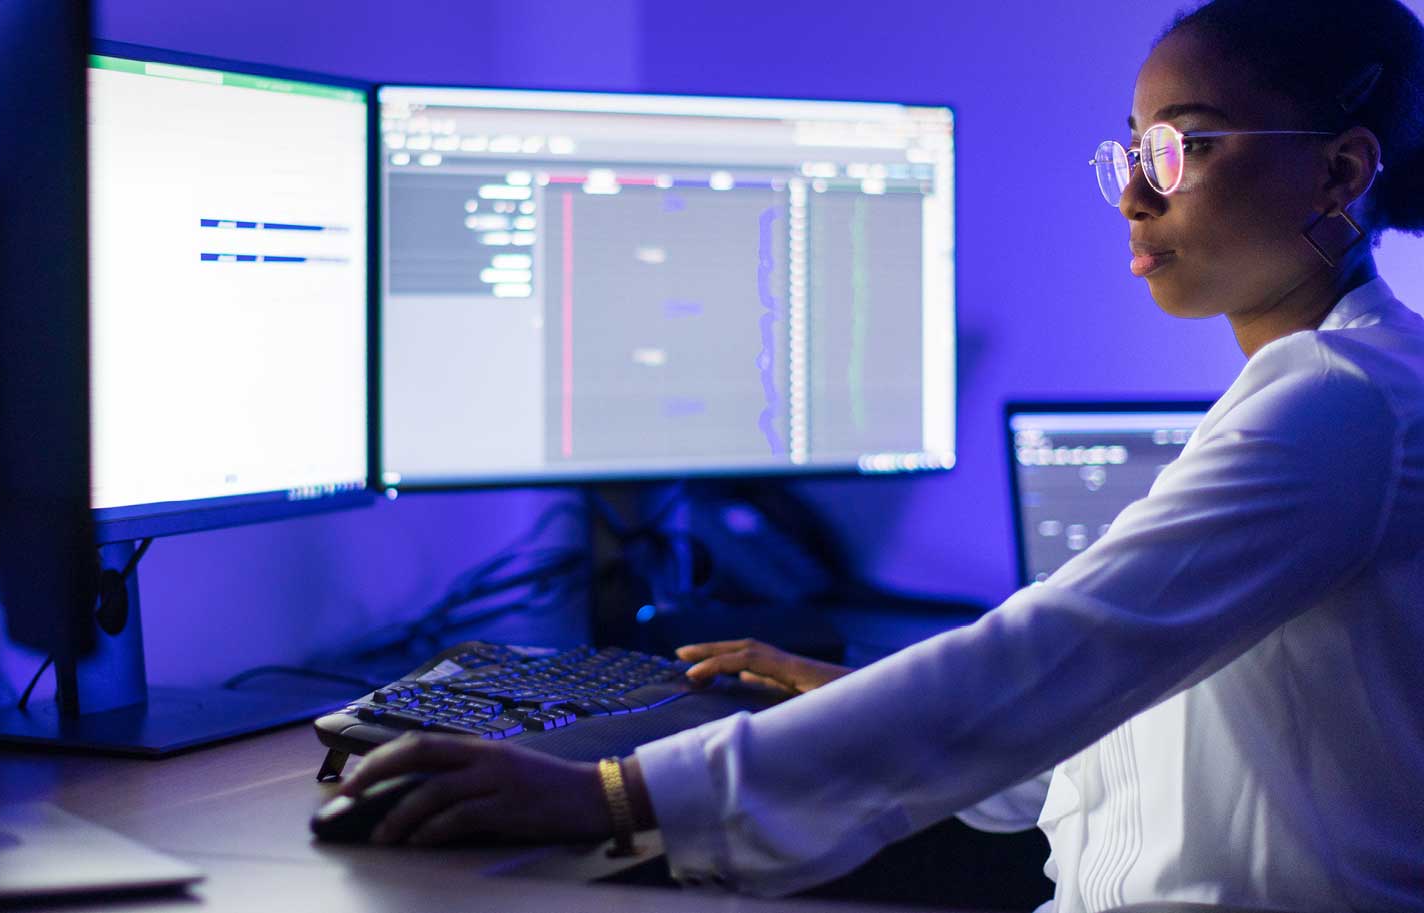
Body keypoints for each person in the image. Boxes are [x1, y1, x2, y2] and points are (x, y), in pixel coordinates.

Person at [336, 0, 1424, 909]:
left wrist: (611, 794)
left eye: (1185, 146)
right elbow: (1094, 716)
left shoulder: (1337, 401)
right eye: (1133, 149)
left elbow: (1058, 656)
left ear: (1337, 172)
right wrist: (855, 696)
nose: (1137, 194)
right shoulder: (1323, 387)